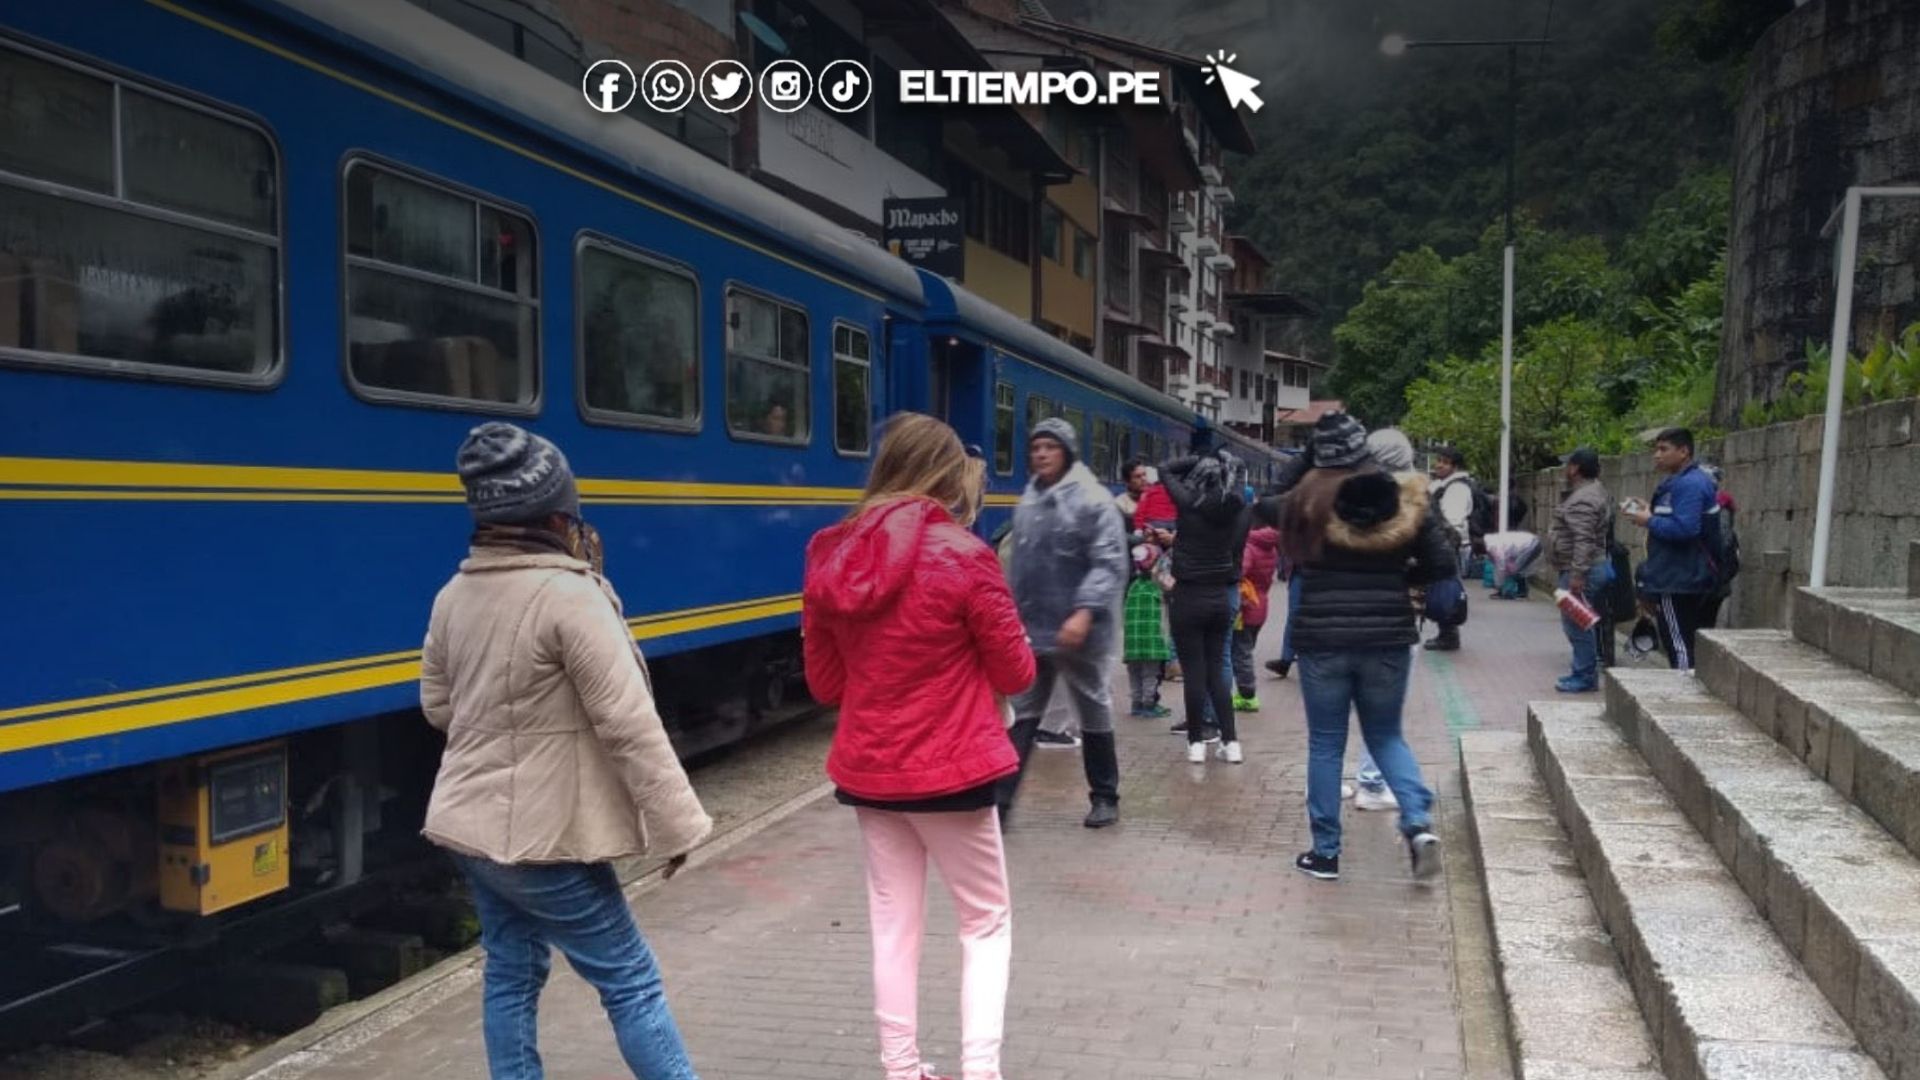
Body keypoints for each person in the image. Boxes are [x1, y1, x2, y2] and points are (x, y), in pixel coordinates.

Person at [420, 422, 712, 1080]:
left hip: (470, 827)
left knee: (512, 972)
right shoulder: (571, 597)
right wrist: (678, 827)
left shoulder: (453, 596)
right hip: (540, 837)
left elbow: (438, 706)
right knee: (631, 980)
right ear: (557, 514)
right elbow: (628, 723)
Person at [802, 412, 1035, 1080]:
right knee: (985, 922)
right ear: (944, 475)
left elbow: (824, 683)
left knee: (893, 922)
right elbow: (1015, 672)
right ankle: (980, 1071)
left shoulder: (829, 554)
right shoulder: (966, 556)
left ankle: (902, 1070)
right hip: (953, 769)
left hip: (872, 772)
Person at [1257, 412, 1455, 882]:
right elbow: (1443, 561)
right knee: (1385, 735)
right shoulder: (1404, 496)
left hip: (1322, 638)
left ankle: (1325, 853)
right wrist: (1399, 579)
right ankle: (1417, 822)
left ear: (1319, 453)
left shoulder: (1305, 498)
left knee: (1326, 744)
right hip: (1388, 634)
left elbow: (1262, 503)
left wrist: (1304, 458)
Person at [1002, 418, 1130, 828]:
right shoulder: (1029, 501)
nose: (1041, 454)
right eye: (1036, 447)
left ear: (1067, 452)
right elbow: (1019, 565)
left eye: (1050, 447)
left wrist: (1084, 611)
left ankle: (1105, 796)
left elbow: (1108, 562)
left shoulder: (1093, 500)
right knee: (1023, 711)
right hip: (1035, 626)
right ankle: (999, 803)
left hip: (1082, 631)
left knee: (1092, 707)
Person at [1160, 448, 1251, 765]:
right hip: (1219, 598)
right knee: (1217, 672)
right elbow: (1239, 470)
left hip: (1188, 597)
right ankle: (1231, 741)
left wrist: (1196, 461)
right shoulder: (1235, 503)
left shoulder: (1188, 504)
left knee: (1195, 674)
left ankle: (1196, 742)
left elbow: (1166, 468)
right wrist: (1229, 464)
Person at [1626, 427, 1722, 671]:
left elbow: (1686, 529)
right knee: (1687, 640)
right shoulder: (1682, 482)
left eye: (1663, 449)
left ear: (1684, 451)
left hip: (1678, 578)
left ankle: (1684, 692)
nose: (1656, 455)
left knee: (1678, 643)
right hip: (1685, 575)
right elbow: (1680, 518)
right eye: (1655, 449)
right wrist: (1651, 511)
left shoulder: (1689, 484)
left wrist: (1648, 520)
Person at [1548, 447, 1613, 692]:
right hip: (1587, 568)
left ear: (1575, 468)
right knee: (1581, 622)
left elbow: (1583, 540)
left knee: (1577, 624)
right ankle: (1583, 672)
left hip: (1581, 571)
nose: (1565, 470)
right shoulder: (1591, 492)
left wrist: (1577, 575)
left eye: (1567, 465)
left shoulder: (1583, 498)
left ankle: (1585, 676)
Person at [1425, 446, 1477, 651]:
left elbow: (1453, 519)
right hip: (1443, 543)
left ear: (1455, 467)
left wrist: (1442, 543)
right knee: (1443, 587)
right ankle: (1446, 632)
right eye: (1438, 460)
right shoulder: (1442, 485)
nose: (1439, 464)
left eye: (1445, 462)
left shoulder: (1457, 488)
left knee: (1447, 589)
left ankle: (1449, 635)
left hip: (1448, 544)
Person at [1232, 517, 1279, 711]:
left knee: (1241, 653)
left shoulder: (1249, 547)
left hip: (1246, 608)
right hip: (1261, 605)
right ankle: (1245, 691)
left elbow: (1239, 571)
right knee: (1246, 649)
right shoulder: (1271, 547)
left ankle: (1247, 695)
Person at [1124, 537, 1174, 718]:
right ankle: (1149, 704)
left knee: (1135, 673)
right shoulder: (1159, 582)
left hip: (1132, 641)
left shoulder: (1133, 585)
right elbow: (1174, 587)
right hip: (1153, 639)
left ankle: (1136, 703)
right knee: (1150, 674)